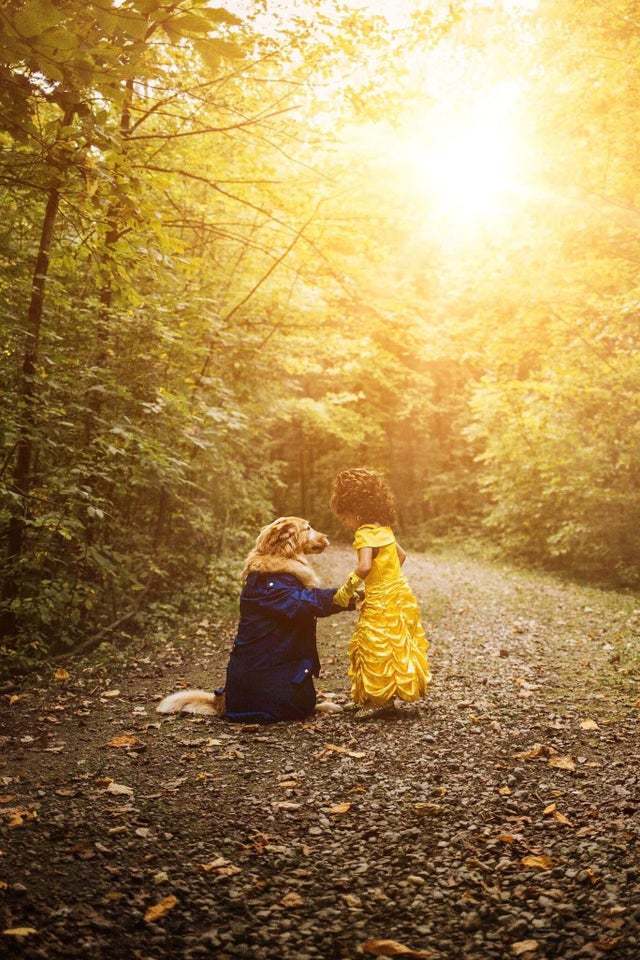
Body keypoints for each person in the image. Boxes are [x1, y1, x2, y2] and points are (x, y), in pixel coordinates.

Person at [330, 468, 431, 719]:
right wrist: (383, 582)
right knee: (392, 645)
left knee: (373, 645)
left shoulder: (364, 533)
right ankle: (369, 696)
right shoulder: (385, 528)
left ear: (354, 511)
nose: (345, 523)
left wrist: (346, 590)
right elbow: (401, 556)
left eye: (344, 518)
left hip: (380, 600)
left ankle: (379, 701)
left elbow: (364, 566)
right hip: (397, 594)